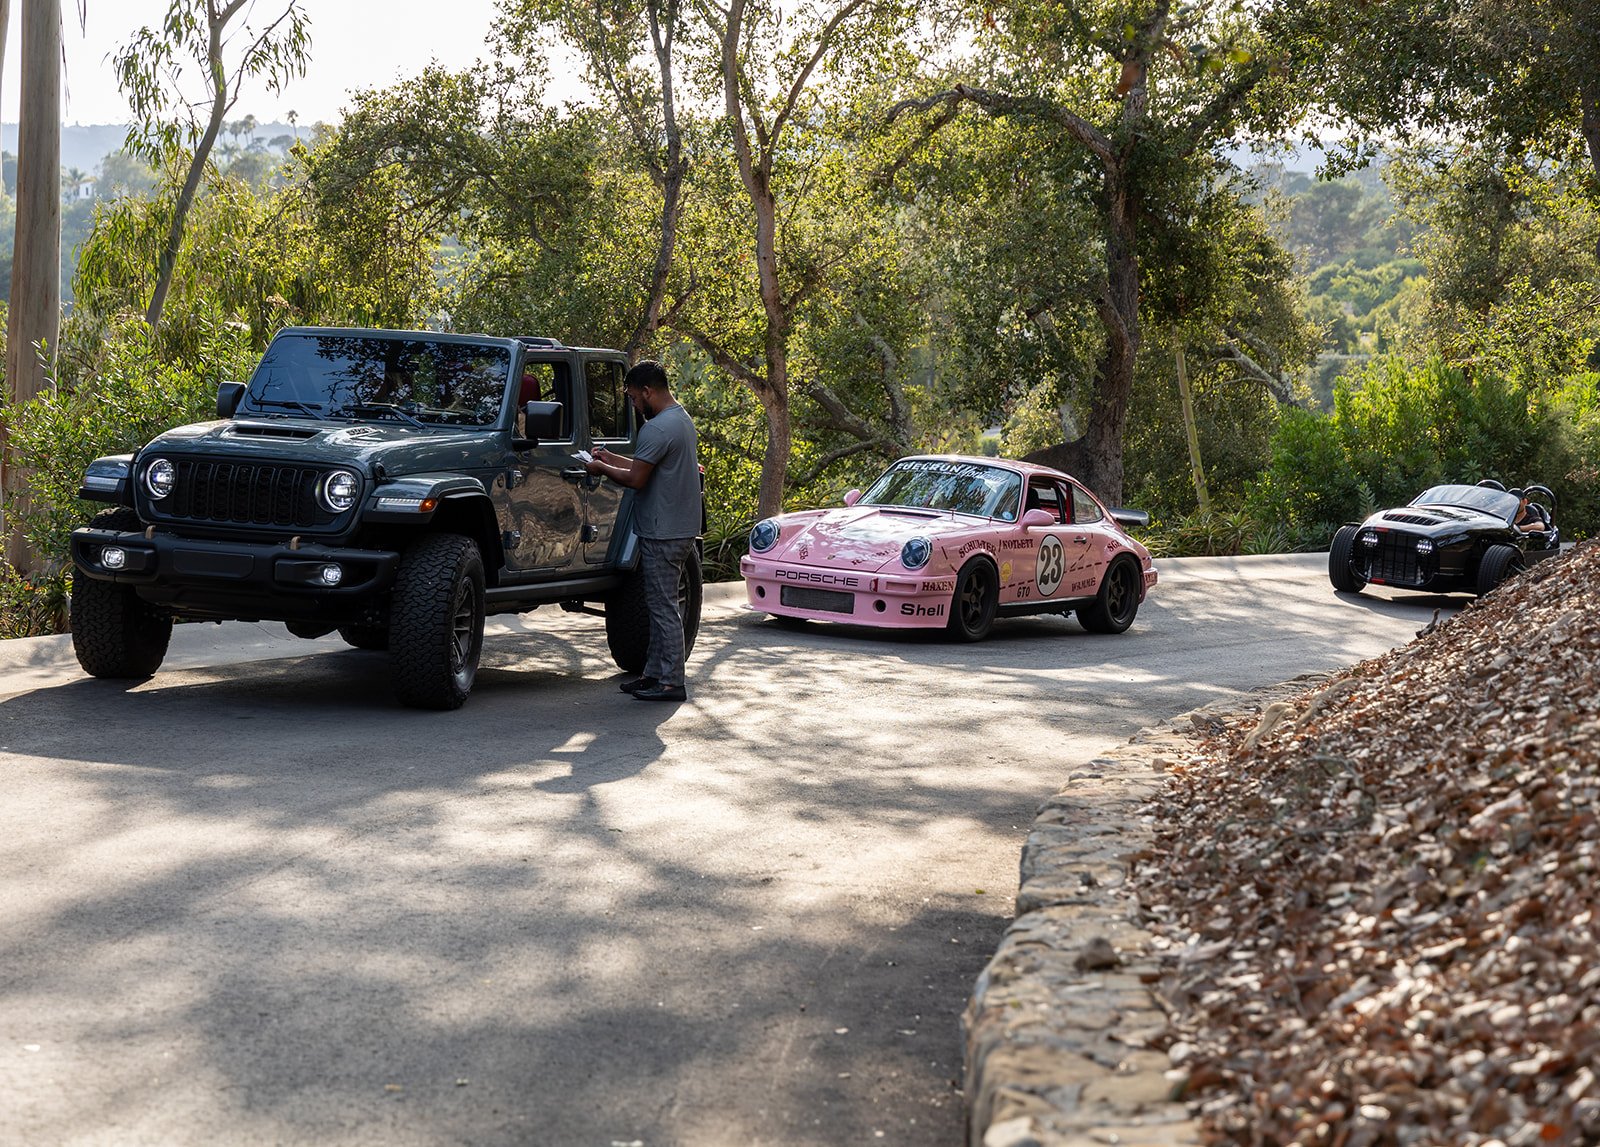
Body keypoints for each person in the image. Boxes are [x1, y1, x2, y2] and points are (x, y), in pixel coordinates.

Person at [584, 360, 700, 702]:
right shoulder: (680, 420)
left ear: (648, 391)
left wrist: (599, 468)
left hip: (662, 530)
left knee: (663, 608)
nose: (635, 405)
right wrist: (609, 456)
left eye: (635, 398)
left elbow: (636, 479)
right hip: (679, 527)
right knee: (658, 604)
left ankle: (671, 682)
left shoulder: (656, 428)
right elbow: (643, 464)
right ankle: (653, 673)